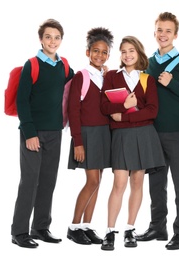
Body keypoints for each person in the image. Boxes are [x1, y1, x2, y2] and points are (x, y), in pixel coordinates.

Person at [135, 12, 179, 250]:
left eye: (168, 31)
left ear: (175, 35)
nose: (163, 35)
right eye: (159, 30)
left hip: (177, 133)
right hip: (153, 132)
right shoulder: (148, 63)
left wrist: (171, 82)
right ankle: (157, 227)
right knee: (156, 183)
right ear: (154, 32)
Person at [11, 18, 74, 248]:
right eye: (48, 37)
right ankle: (19, 232)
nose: (53, 41)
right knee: (29, 181)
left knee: (48, 181)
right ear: (41, 39)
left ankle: (40, 227)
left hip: (54, 132)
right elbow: (22, 101)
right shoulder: (32, 64)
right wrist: (29, 132)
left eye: (57, 37)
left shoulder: (63, 66)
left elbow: (77, 83)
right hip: (33, 132)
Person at [100, 36, 165, 251]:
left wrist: (123, 116)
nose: (127, 55)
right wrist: (122, 108)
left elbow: (152, 111)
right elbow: (104, 107)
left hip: (143, 135)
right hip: (121, 136)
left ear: (139, 54)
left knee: (137, 182)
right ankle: (110, 231)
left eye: (132, 51)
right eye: (124, 51)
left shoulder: (148, 80)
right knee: (119, 183)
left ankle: (130, 229)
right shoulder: (111, 76)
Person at [66, 27, 114, 245]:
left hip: (104, 134)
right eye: (96, 51)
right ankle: (73, 227)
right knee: (92, 180)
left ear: (108, 55)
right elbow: (73, 111)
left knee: (98, 181)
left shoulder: (107, 77)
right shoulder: (81, 77)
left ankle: (86, 225)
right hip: (87, 134)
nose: (100, 56)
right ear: (88, 52)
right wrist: (78, 142)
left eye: (104, 52)